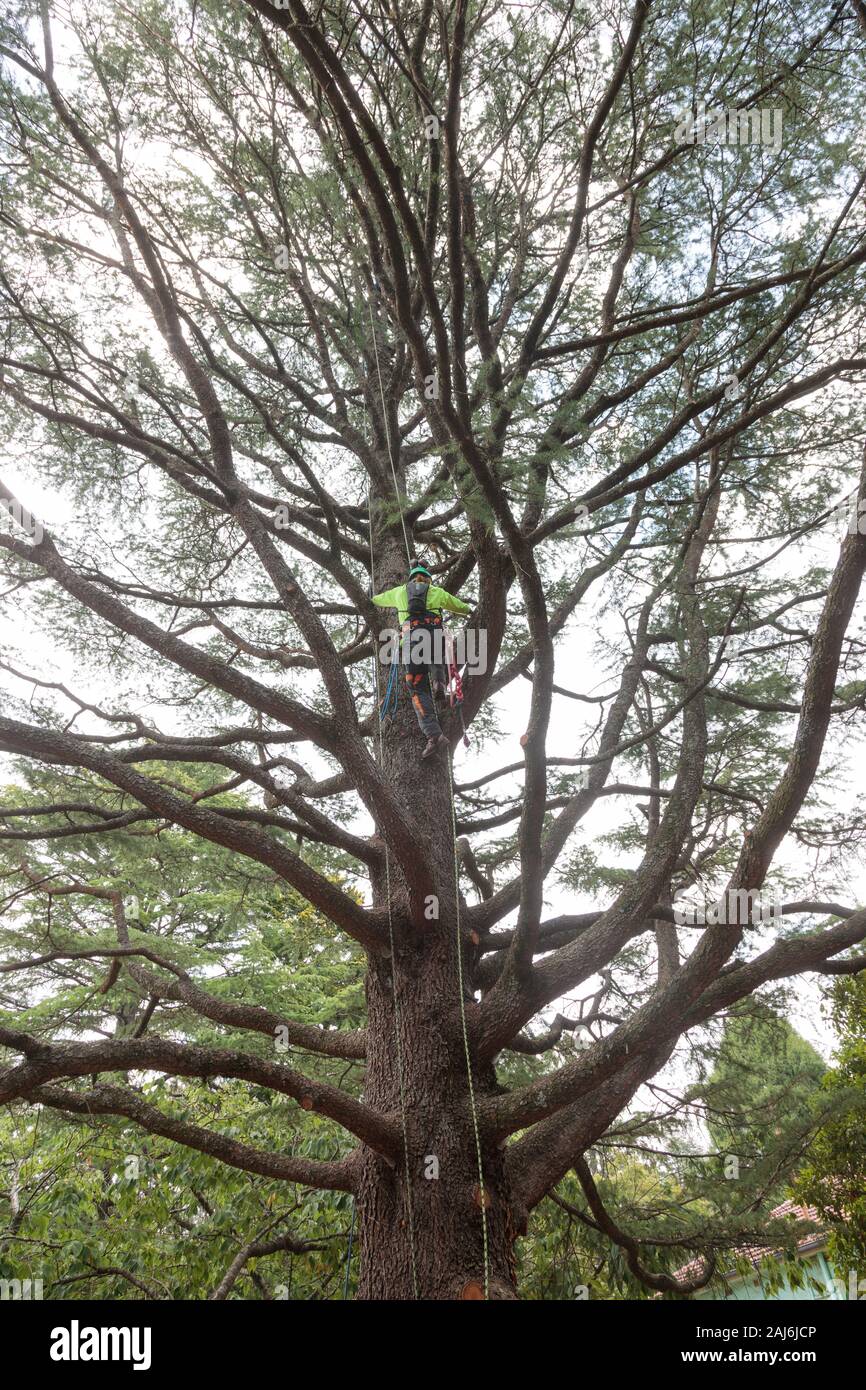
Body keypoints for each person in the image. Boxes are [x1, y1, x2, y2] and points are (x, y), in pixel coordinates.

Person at [372, 562, 471, 758]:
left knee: (417, 687)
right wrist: (467, 610)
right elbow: (460, 606)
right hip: (433, 635)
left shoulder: (400, 592)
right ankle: (439, 682)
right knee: (436, 659)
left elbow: (377, 600)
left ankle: (434, 736)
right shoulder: (436, 591)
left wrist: (369, 594)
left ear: (411, 578)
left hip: (411, 638)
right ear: (428, 578)